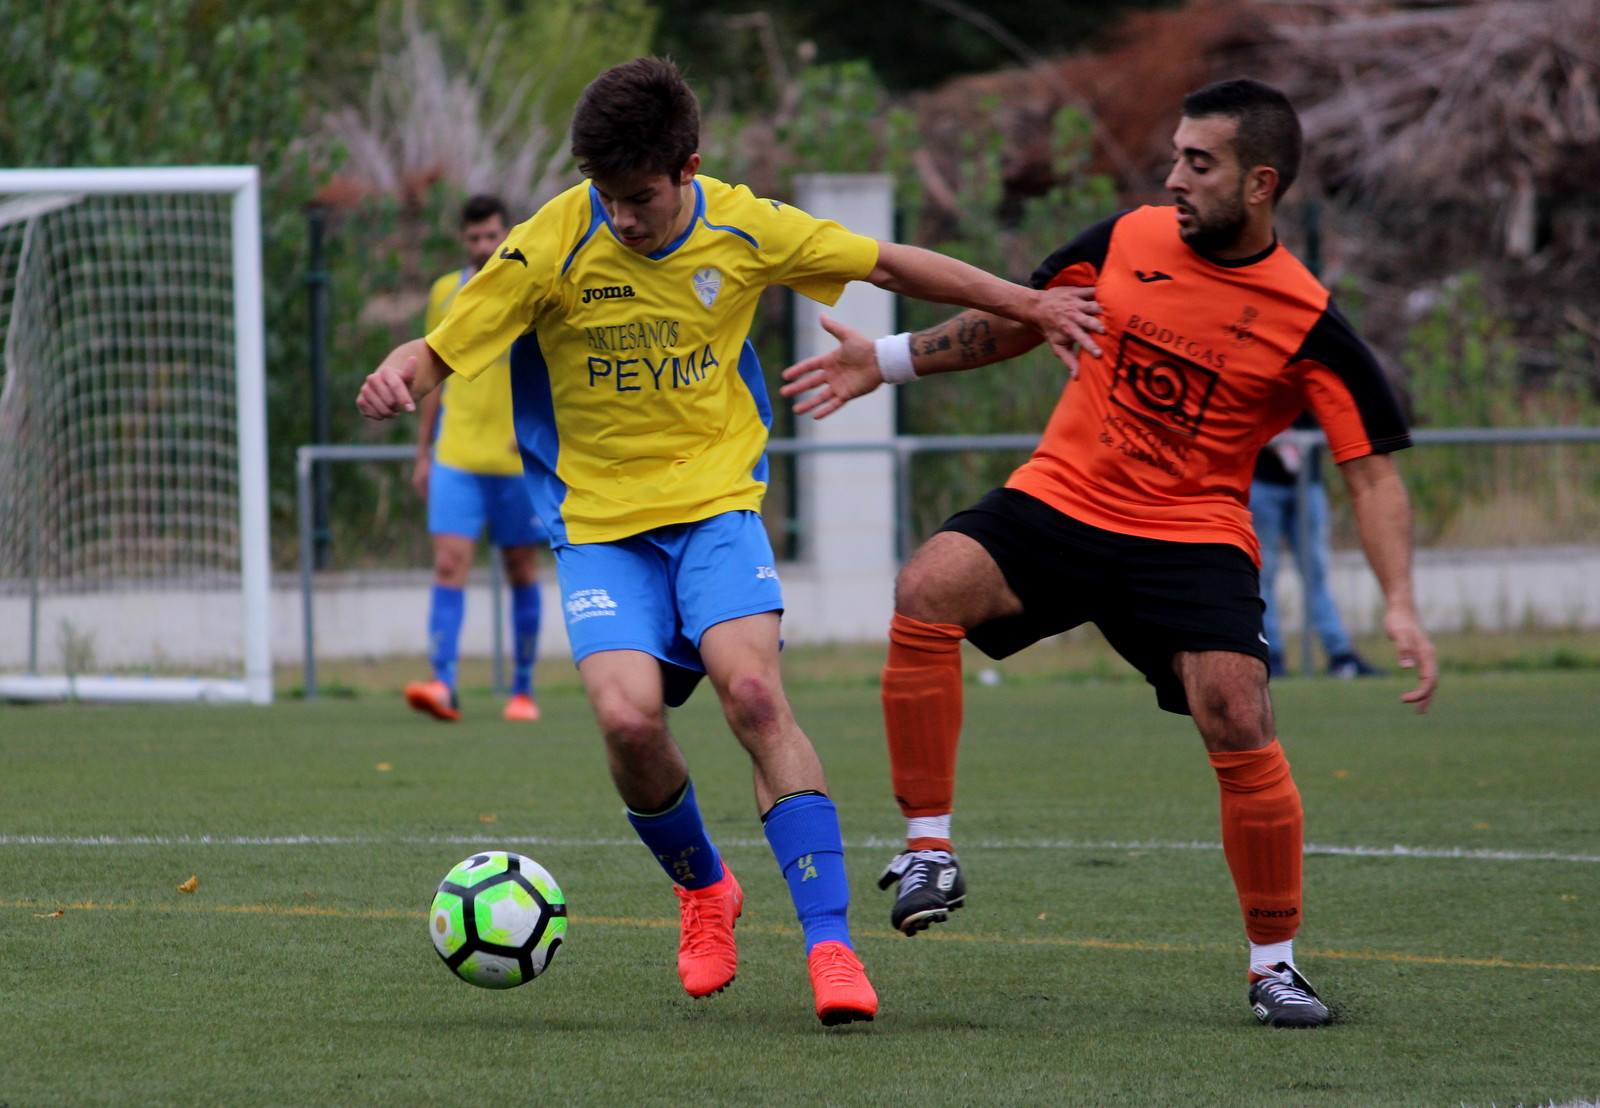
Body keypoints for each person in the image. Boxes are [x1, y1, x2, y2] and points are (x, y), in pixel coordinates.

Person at [357, 57, 1104, 1025]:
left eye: (639, 198)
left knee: (751, 693)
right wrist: (399, 373)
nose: (621, 218)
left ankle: (830, 945)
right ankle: (705, 888)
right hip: (598, 526)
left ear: (688, 169)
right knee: (627, 721)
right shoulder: (549, 242)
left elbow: (887, 263)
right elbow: (442, 348)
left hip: (715, 507)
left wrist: (1028, 303)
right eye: (605, 195)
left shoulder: (745, 227)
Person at [781, 77, 1438, 1028]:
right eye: (1175, 156)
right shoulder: (1128, 237)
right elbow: (1026, 317)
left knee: (1238, 713)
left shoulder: (1306, 318)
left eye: (1199, 163)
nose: (1174, 177)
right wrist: (883, 361)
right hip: (1063, 500)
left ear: (1260, 183)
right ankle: (928, 849)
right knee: (929, 584)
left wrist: (1401, 602)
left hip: (1192, 534)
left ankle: (1275, 967)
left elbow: (1371, 476)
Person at [406, 195, 548, 724]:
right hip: (457, 455)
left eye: (492, 235)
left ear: (507, 234)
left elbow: (557, 366)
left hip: (516, 461)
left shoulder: (532, 286)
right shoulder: (446, 292)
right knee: (449, 564)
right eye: (474, 238)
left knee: (521, 568)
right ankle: (443, 684)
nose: (484, 246)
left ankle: (523, 688)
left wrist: (536, 428)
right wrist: (423, 453)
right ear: (463, 240)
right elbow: (433, 372)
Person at [1251, 412, 1380, 678]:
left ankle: (1340, 654)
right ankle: (1271, 654)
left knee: (1316, 573)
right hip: (1262, 482)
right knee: (1263, 573)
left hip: (1307, 482)